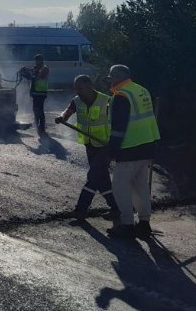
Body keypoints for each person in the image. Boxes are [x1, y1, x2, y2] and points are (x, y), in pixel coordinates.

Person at [105, 64, 160, 240]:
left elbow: (118, 128)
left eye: (111, 77)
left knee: (120, 187)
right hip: (147, 144)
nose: (110, 80)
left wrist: (112, 149)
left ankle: (127, 225)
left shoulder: (121, 95)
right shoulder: (141, 89)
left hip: (129, 147)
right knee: (140, 185)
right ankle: (144, 223)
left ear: (117, 77)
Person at [55, 75, 119, 220]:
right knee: (102, 179)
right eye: (76, 89)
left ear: (90, 86)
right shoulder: (77, 101)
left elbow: (117, 122)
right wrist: (62, 118)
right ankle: (116, 208)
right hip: (90, 145)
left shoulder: (106, 101)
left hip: (105, 146)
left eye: (80, 88)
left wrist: (117, 144)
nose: (78, 92)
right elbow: (67, 111)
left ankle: (80, 209)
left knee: (93, 176)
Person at [20, 54, 49, 136]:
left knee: (40, 110)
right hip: (35, 93)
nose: (36, 62)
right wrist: (25, 72)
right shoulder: (36, 69)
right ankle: (38, 127)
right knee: (35, 110)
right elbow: (31, 76)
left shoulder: (45, 69)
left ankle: (42, 128)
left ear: (41, 60)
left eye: (38, 60)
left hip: (41, 93)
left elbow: (37, 76)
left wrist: (30, 73)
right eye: (36, 60)